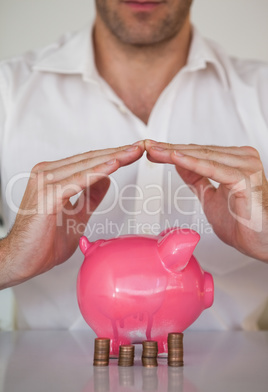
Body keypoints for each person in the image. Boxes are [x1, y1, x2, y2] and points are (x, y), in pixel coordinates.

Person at [0, 0, 267, 330]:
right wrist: (10, 257)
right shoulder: (7, 93)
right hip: (41, 377)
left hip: (233, 379)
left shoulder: (262, 94)